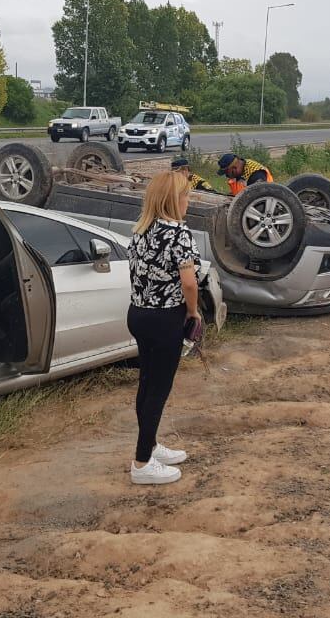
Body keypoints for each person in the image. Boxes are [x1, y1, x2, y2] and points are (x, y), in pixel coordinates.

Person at [126, 171, 200, 485]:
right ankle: (142, 463)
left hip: (139, 315)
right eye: (185, 196)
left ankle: (151, 445)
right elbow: (189, 282)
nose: (189, 201)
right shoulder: (178, 233)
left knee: (147, 382)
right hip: (165, 318)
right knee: (159, 388)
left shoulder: (140, 230)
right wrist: (193, 314)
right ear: (174, 199)